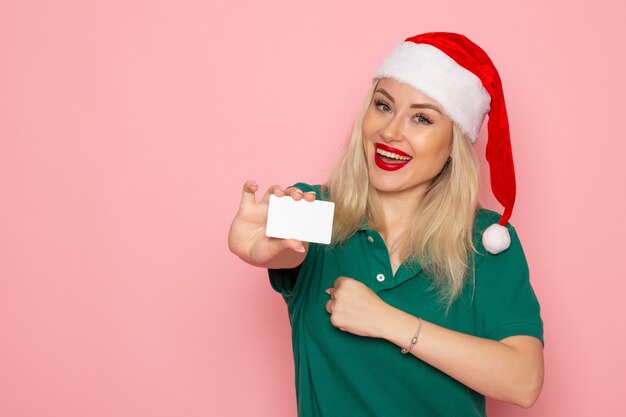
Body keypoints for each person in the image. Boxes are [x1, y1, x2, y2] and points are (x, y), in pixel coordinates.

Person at [228, 32, 544, 417]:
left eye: (421, 118)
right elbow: (280, 250)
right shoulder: (315, 210)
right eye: (383, 106)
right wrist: (259, 247)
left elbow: (524, 382)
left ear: (454, 143)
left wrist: (386, 321)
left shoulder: (488, 242)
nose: (390, 132)